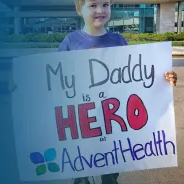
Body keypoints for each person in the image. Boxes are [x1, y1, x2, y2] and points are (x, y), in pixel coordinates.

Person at [58, 0, 177, 184]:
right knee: (81, 167)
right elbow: (53, 78)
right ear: (79, 10)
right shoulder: (71, 41)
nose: (100, 10)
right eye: (93, 5)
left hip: (114, 120)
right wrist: (23, 85)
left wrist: (163, 77)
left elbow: (136, 75)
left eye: (105, 4)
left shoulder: (119, 41)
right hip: (82, 119)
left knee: (110, 171)